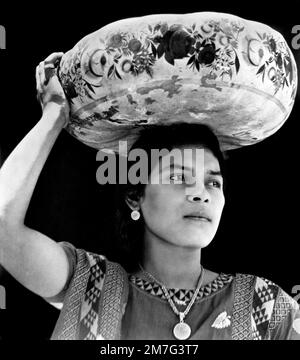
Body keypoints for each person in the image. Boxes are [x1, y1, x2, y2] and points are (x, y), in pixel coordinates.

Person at [0, 53, 299, 341]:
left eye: (213, 183)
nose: (201, 194)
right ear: (135, 196)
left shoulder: (265, 308)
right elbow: (3, 230)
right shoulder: (92, 287)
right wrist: (54, 113)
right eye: (178, 177)